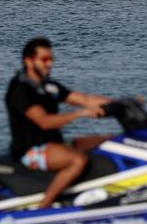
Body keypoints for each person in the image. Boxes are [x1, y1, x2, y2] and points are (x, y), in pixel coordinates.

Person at [6, 37, 112, 209]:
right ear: (29, 61)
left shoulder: (48, 87)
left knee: (109, 142)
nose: (49, 64)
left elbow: (85, 100)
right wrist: (80, 114)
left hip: (53, 145)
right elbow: (45, 122)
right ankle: (44, 208)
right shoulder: (20, 90)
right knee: (77, 161)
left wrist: (121, 104)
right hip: (31, 150)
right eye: (44, 60)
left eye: (51, 59)